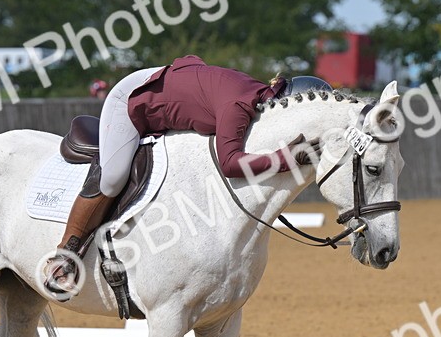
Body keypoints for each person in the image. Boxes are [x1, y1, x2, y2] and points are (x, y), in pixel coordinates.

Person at [43, 55, 317, 294]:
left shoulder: (254, 96)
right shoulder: (239, 105)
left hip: (167, 82)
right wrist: (285, 159)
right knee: (113, 178)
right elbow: (230, 164)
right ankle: (64, 255)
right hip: (130, 98)